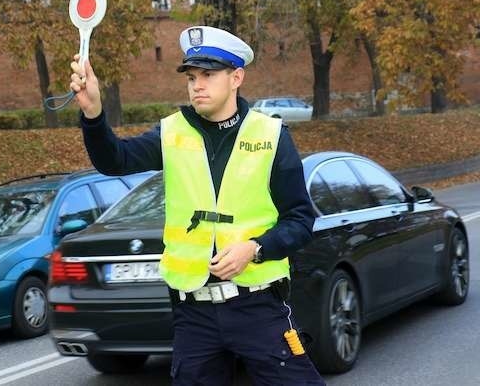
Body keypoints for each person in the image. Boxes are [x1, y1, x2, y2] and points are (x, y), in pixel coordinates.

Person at [69, 25, 325, 386]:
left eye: (208, 75)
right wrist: (93, 114)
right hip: (194, 313)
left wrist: (255, 249)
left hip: (258, 307)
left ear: (236, 77)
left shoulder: (270, 136)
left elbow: (300, 221)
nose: (197, 85)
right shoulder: (171, 133)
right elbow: (115, 160)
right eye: (191, 77)